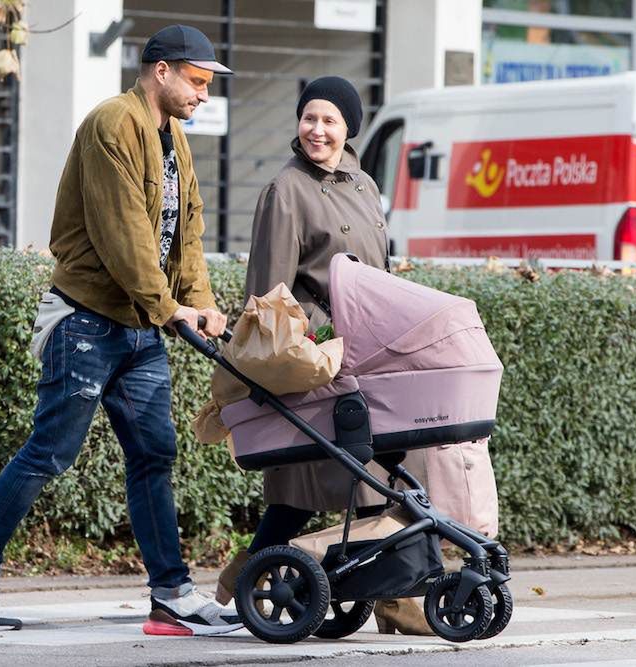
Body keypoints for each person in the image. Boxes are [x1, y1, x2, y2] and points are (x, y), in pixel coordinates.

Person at [0, 24, 243, 638]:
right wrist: (171, 308)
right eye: (198, 80)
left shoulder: (174, 137)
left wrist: (200, 301)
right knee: (50, 453)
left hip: (139, 328)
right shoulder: (112, 124)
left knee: (155, 454)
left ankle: (171, 596)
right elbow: (122, 236)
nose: (204, 93)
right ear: (162, 71)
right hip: (86, 322)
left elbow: (189, 235)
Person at [214, 76, 433, 635]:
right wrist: (307, 341)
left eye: (329, 120)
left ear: (349, 129)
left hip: (366, 351)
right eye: (309, 118)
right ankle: (391, 599)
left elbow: (377, 275)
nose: (316, 129)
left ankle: (249, 574)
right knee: (337, 478)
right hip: (315, 357)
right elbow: (267, 294)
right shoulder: (286, 191)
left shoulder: (363, 184)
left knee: (349, 477)